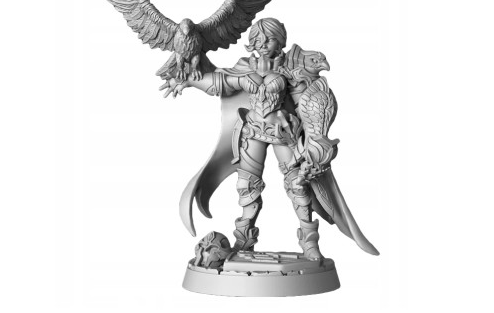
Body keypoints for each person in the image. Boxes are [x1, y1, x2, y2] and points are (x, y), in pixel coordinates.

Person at [162, 17, 378, 259]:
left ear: (280, 40)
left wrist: (313, 141)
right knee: (247, 187)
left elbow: (308, 103)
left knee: (298, 186)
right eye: (258, 40)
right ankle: (243, 242)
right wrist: (188, 80)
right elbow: (220, 83)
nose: (263, 44)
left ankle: (310, 244)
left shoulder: (293, 68)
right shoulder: (246, 66)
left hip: (283, 133)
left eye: (270, 39)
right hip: (251, 132)